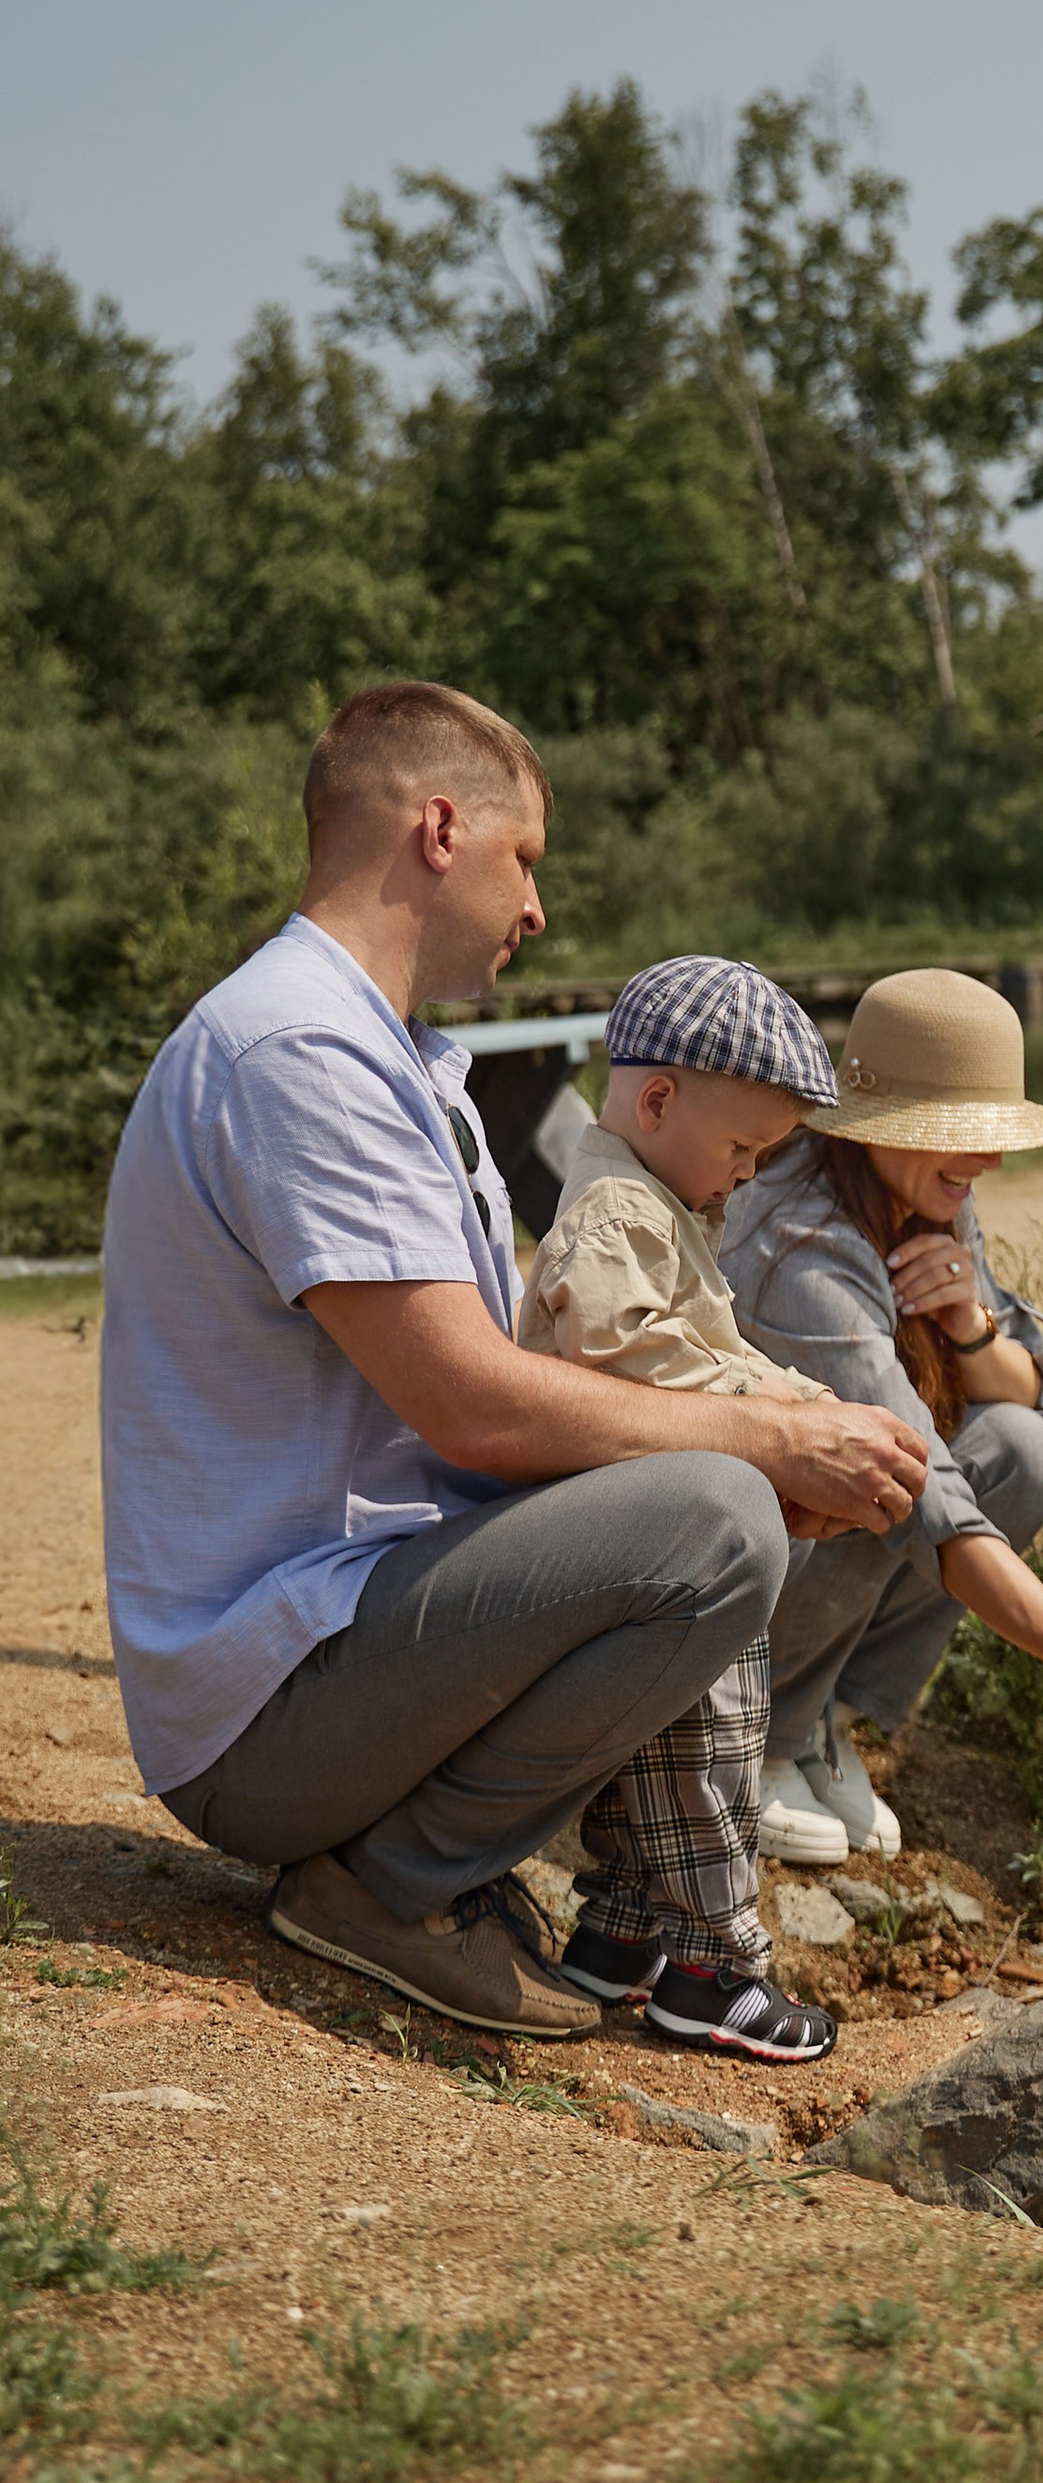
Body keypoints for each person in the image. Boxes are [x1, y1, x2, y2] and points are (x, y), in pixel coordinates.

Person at [100, 682, 929, 2041]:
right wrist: (765, 1441)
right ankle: (391, 1885)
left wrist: (752, 1437)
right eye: (525, 858)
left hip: (346, 1646)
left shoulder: (396, 1056)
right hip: (275, 1706)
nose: (536, 908)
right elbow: (469, 1404)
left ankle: (550, 1892)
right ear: (439, 829)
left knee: (717, 1498)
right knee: (717, 1514)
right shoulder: (302, 1050)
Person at [727, 968, 1043, 1852]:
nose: (990, 1161)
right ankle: (757, 1736)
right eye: (963, 1133)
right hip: (739, 1565)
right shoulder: (804, 1253)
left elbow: (1033, 1386)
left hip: (819, 1534)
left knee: (1022, 1451)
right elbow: (929, 1504)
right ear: (886, 1127)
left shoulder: (917, 1187)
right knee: (881, 1486)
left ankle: (819, 1717)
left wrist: (969, 1325)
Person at [515, 953, 852, 2061]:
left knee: (654, 1744)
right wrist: (782, 1406)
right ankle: (714, 1965)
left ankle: (618, 1935)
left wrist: (796, 1405)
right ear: (657, 1100)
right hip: (650, 1530)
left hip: (639, 1529)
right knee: (712, 1736)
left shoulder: (658, 1202)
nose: (748, 1175)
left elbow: (706, 1348)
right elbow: (636, 1358)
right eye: (743, 1148)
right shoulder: (617, 1214)